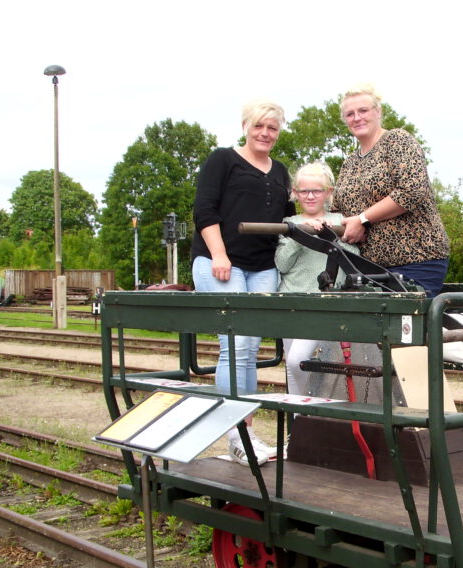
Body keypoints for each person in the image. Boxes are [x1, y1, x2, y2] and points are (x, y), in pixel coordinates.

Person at [191, 99, 294, 464]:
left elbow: (289, 219)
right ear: (246, 126)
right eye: (259, 126)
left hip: (262, 266)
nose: (265, 133)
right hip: (222, 263)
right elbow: (204, 208)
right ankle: (236, 436)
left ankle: (245, 432)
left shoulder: (280, 171)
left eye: (273, 128)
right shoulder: (223, 159)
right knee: (234, 345)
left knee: (251, 348)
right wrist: (219, 254)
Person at [334, 84, 449, 297]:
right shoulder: (349, 163)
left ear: (378, 112)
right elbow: (338, 211)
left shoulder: (398, 141)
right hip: (369, 268)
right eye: (350, 114)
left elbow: (412, 190)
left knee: (407, 328)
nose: (356, 117)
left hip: (416, 259)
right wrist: (316, 221)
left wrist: (362, 219)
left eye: (363, 111)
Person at [276, 161, 359, 395]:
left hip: (326, 303)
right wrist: (300, 234)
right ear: (295, 193)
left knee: (300, 362)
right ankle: (300, 424)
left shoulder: (341, 221)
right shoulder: (288, 224)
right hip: (293, 302)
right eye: (304, 191)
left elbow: (353, 259)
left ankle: (315, 416)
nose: (310, 196)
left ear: (328, 193)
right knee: (293, 367)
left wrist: (328, 236)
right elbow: (282, 264)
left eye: (317, 190)